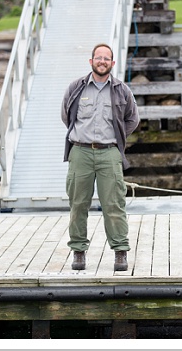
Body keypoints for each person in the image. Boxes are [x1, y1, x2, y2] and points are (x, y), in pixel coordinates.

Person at [61, 43, 140, 272]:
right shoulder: (76, 87)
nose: (102, 61)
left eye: (107, 58)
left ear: (112, 63)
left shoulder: (121, 90)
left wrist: (116, 137)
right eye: (98, 58)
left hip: (109, 153)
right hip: (80, 152)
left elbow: (132, 119)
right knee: (78, 204)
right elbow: (66, 115)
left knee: (114, 204)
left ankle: (120, 252)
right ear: (91, 61)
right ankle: (78, 251)